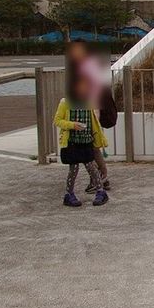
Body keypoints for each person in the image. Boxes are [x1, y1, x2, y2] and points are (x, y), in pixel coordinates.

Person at [54, 65, 109, 207]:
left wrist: (97, 137)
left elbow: (94, 121)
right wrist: (72, 125)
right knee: (74, 168)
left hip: (86, 140)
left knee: (91, 166)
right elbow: (57, 121)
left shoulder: (89, 102)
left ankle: (100, 192)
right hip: (72, 141)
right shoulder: (65, 103)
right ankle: (69, 194)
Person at [66, 40, 111, 192]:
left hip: (91, 111)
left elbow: (94, 90)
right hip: (88, 110)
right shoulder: (86, 65)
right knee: (92, 147)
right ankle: (101, 178)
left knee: (91, 148)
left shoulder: (87, 66)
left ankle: (101, 177)